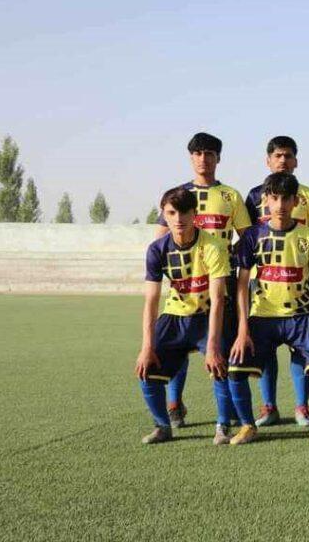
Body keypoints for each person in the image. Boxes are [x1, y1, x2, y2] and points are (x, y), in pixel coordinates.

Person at [229, 173, 309, 445]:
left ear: (295, 201)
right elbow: (242, 285)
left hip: (302, 318)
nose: (279, 205)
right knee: (235, 369)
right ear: (265, 200)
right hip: (263, 318)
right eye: (273, 198)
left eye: (285, 198)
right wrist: (243, 329)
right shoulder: (253, 235)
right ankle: (247, 426)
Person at [155, 132, 251, 428]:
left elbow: (246, 238)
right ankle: (173, 402)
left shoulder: (230, 196)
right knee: (178, 346)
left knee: (220, 344)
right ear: (190, 157)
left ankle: (228, 411)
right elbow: (161, 239)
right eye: (197, 153)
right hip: (187, 281)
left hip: (221, 280)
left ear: (218, 158)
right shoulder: (178, 196)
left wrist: (226, 255)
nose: (203, 159)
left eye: (209, 153)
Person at [134, 187, 241, 445]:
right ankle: (162, 426)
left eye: (184, 212)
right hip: (174, 316)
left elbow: (217, 300)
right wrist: (146, 347)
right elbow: (151, 301)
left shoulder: (213, 246)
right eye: (171, 213)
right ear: (164, 215)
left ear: (195, 214)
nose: (178, 219)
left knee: (221, 366)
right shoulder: (157, 250)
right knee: (146, 370)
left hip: (207, 317)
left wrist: (213, 345)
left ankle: (223, 426)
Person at [244, 135, 309, 428]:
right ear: (268, 161)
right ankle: (269, 407)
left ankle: (302, 407)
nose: (283, 161)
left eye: (288, 156)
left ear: (296, 161)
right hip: (264, 285)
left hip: (298, 284)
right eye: (277, 156)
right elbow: (249, 236)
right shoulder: (254, 195)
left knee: (299, 349)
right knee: (266, 351)